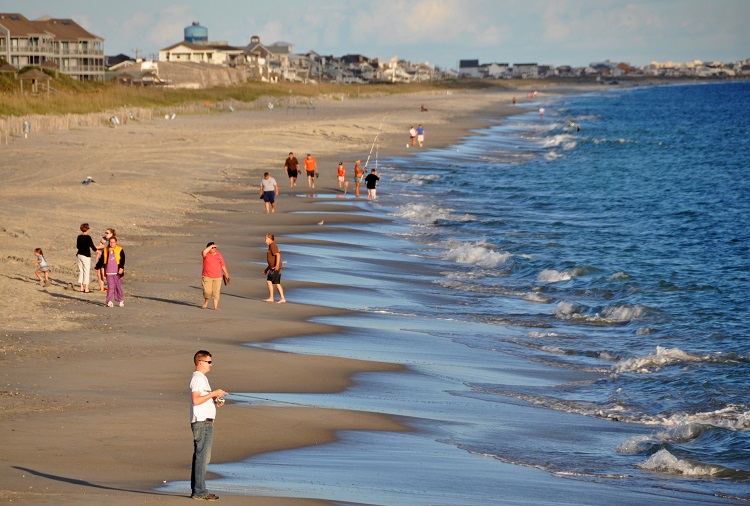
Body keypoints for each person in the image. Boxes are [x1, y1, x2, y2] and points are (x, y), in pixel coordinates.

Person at [190, 350, 228, 501]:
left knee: (202, 457)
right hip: (202, 422)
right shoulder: (198, 377)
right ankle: (199, 492)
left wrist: (216, 399)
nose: (211, 365)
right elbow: (196, 400)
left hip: (205, 422)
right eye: (209, 362)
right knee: (202, 457)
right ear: (200, 362)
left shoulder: (202, 379)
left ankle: (198, 490)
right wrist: (213, 394)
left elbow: (202, 399)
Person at [201, 242, 229, 310]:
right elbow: (204, 251)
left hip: (218, 276)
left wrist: (226, 273)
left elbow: (222, 265)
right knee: (207, 291)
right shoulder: (206, 254)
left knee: (216, 292)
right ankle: (206, 301)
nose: (214, 249)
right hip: (207, 276)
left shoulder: (219, 255)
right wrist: (210, 246)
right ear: (208, 248)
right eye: (212, 247)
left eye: (215, 247)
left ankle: (215, 307)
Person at [75, 223, 101, 293]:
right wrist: (98, 251)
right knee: (86, 271)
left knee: (81, 271)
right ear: (87, 229)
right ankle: (86, 288)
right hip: (86, 255)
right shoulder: (88, 237)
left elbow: (77, 246)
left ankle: (81, 287)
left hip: (79, 254)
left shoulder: (79, 237)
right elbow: (92, 246)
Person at [103, 236, 125, 307]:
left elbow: (122, 259)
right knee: (110, 287)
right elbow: (103, 261)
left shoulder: (120, 249)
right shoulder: (106, 250)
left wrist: (121, 268)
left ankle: (120, 299)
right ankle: (109, 301)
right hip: (109, 272)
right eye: (110, 242)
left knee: (118, 287)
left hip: (117, 272)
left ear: (116, 242)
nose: (112, 244)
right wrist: (102, 271)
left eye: (113, 242)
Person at [263, 234, 285, 303]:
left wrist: (277, 265)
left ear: (270, 239)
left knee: (274, 282)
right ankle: (274, 297)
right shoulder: (270, 246)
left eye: (266, 239)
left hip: (276, 268)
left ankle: (279, 298)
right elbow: (271, 260)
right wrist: (267, 269)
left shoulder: (273, 246)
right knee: (272, 281)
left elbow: (278, 255)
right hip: (272, 268)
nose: (265, 241)